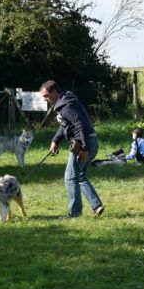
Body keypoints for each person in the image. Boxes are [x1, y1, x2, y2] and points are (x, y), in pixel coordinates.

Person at [40, 80, 105, 218]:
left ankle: (75, 213)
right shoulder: (64, 102)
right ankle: (97, 206)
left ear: (55, 92)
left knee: (70, 178)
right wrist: (55, 140)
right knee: (80, 175)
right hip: (90, 142)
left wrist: (84, 148)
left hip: (84, 144)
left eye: (46, 96)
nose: (45, 99)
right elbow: (65, 124)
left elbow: (80, 126)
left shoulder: (66, 106)